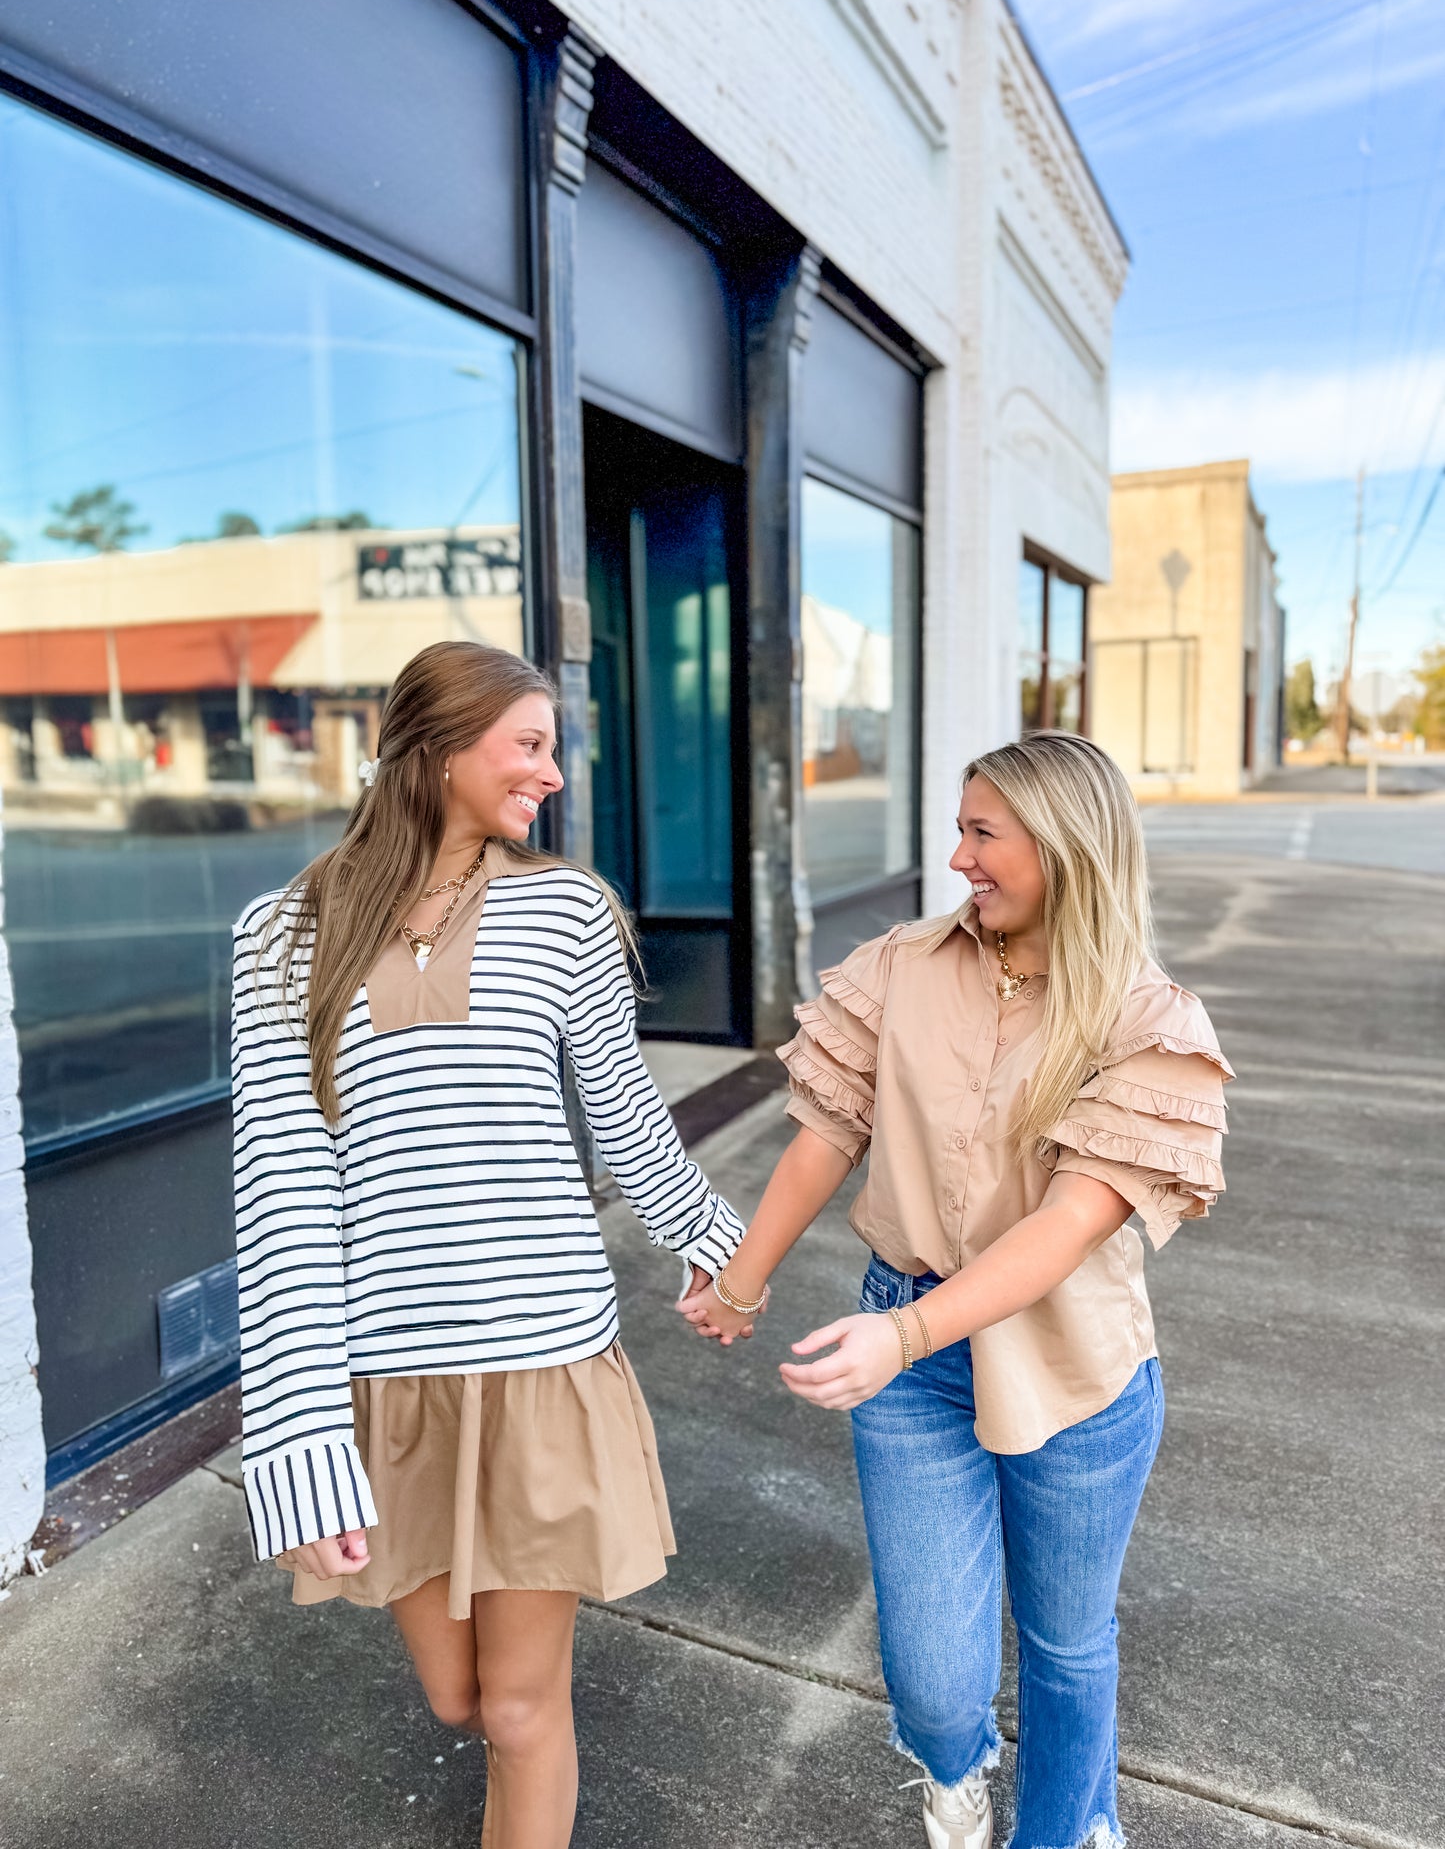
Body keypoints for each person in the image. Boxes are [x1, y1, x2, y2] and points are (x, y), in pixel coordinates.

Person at [231, 640, 743, 1849]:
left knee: (518, 1709)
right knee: (456, 1695)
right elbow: (281, 1190)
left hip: (543, 1366)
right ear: (439, 747)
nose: (551, 774)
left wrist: (722, 1250)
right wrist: (297, 1439)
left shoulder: (564, 909)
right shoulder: (279, 934)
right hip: (388, 1381)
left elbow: (622, 1114)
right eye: (528, 743)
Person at [681, 732, 1232, 1849]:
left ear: (1062, 847)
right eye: (959, 827)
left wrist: (903, 1332)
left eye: (982, 833)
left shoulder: (1147, 1020)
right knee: (932, 1673)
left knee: (1067, 1642)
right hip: (912, 1356)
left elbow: (1067, 1226)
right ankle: (951, 1774)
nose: (958, 857)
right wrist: (739, 1281)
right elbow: (824, 1129)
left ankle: (1067, 1828)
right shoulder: (899, 965)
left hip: (1074, 1365)